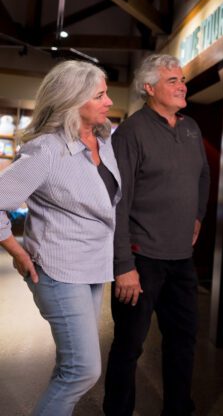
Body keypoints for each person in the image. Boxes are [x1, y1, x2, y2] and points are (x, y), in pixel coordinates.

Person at [0, 60, 120, 415]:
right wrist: (18, 252)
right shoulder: (47, 151)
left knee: (70, 367)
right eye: (100, 95)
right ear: (72, 100)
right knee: (83, 370)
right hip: (58, 270)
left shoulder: (104, 138)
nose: (109, 101)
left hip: (92, 269)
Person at [103, 54, 210, 415]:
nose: (183, 86)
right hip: (141, 259)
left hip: (182, 261)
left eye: (182, 80)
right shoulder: (132, 132)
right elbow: (117, 201)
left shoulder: (192, 127)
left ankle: (178, 410)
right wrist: (123, 266)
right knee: (129, 346)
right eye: (172, 81)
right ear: (150, 88)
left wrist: (197, 215)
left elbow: (203, 178)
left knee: (183, 343)